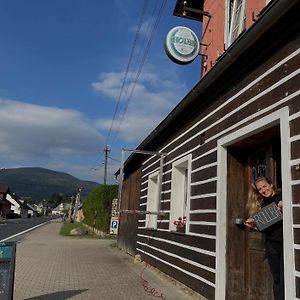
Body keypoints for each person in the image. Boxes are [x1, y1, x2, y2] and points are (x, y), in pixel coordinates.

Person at [244, 176, 284, 300]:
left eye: (265, 186)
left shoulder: (283, 196)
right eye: (260, 189)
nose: (263, 190)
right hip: (271, 244)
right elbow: (264, 227)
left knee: (285, 277)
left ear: (271, 185)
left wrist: (283, 206)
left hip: (284, 242)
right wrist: (253, 225)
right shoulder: (262, 204)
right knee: (277, 278)